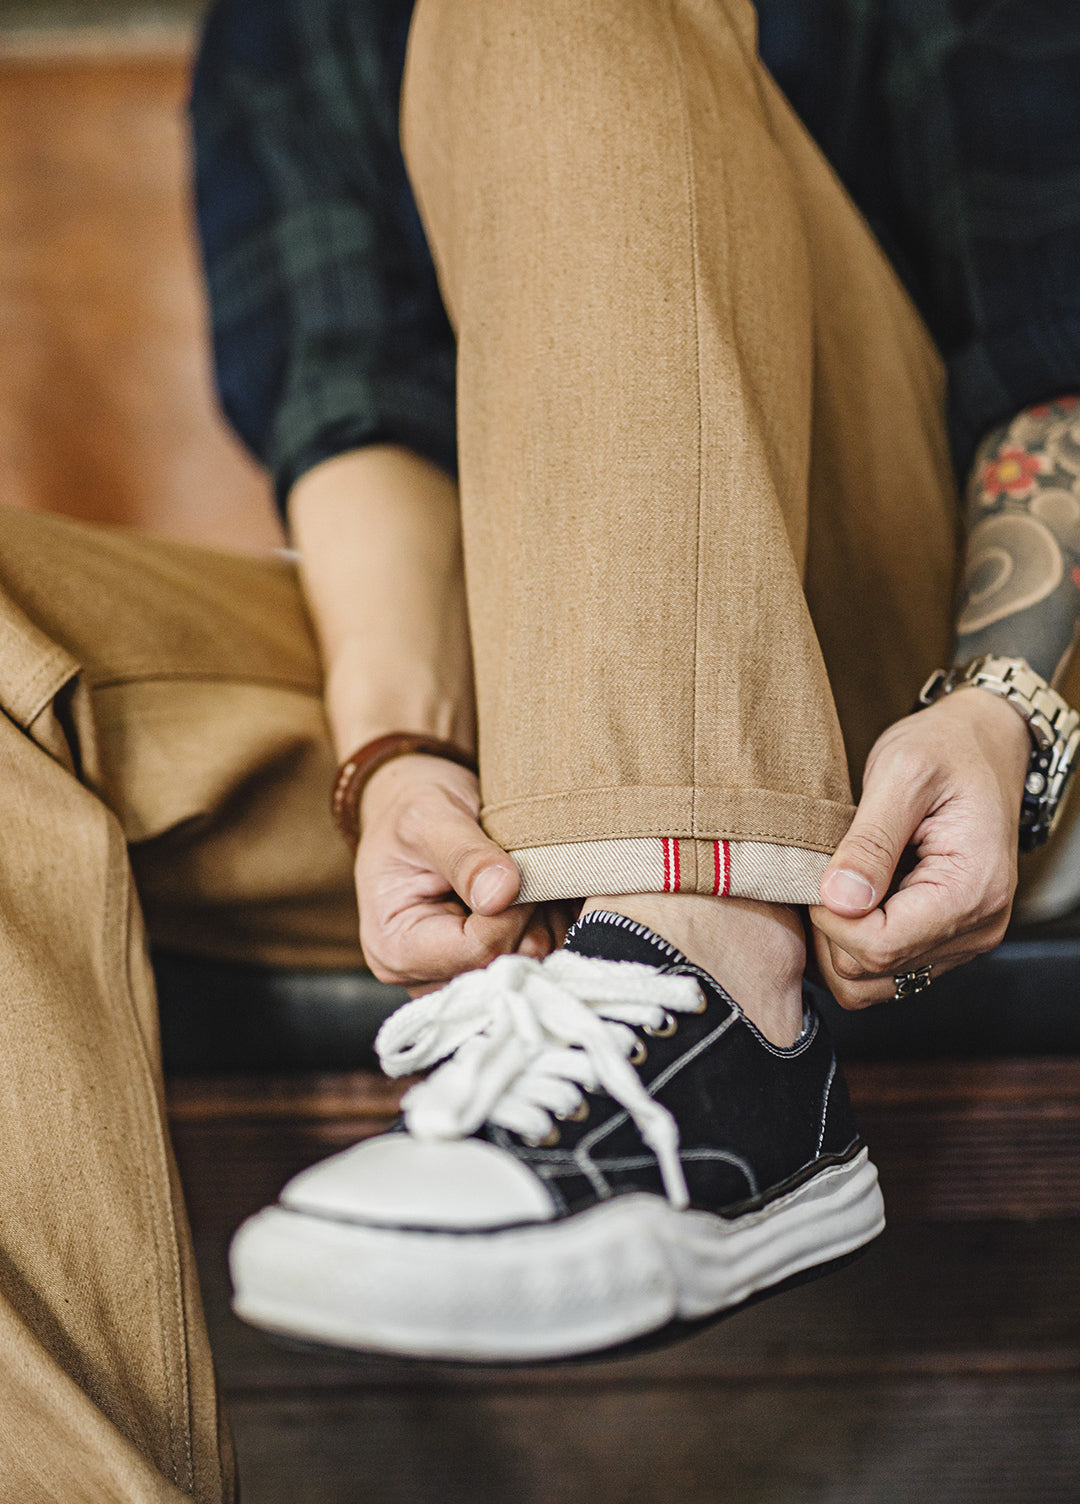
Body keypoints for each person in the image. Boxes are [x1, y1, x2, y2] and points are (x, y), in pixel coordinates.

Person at [1, 0, 1078, 1497]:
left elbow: (1055, 340)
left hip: (884, 682)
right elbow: (354, 408)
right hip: (499, 704)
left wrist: (1007, 701)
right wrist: (391, 749)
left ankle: (716, 991)